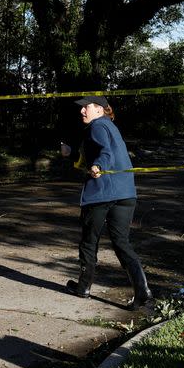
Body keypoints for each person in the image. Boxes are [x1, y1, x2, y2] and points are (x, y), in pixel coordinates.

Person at [60, 95, 153, 311]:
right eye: (82, 108)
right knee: (121, 242)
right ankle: (143, 292)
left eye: (87, 107)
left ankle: (83, 288)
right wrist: (71, 153)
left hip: (103, 193)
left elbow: (105, 153)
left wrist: (99, 166)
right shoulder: (110, 126)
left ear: (100, 109)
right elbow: (90, 157)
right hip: (125, 193)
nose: (82, 111)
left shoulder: (97, 126)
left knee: (89, 241)